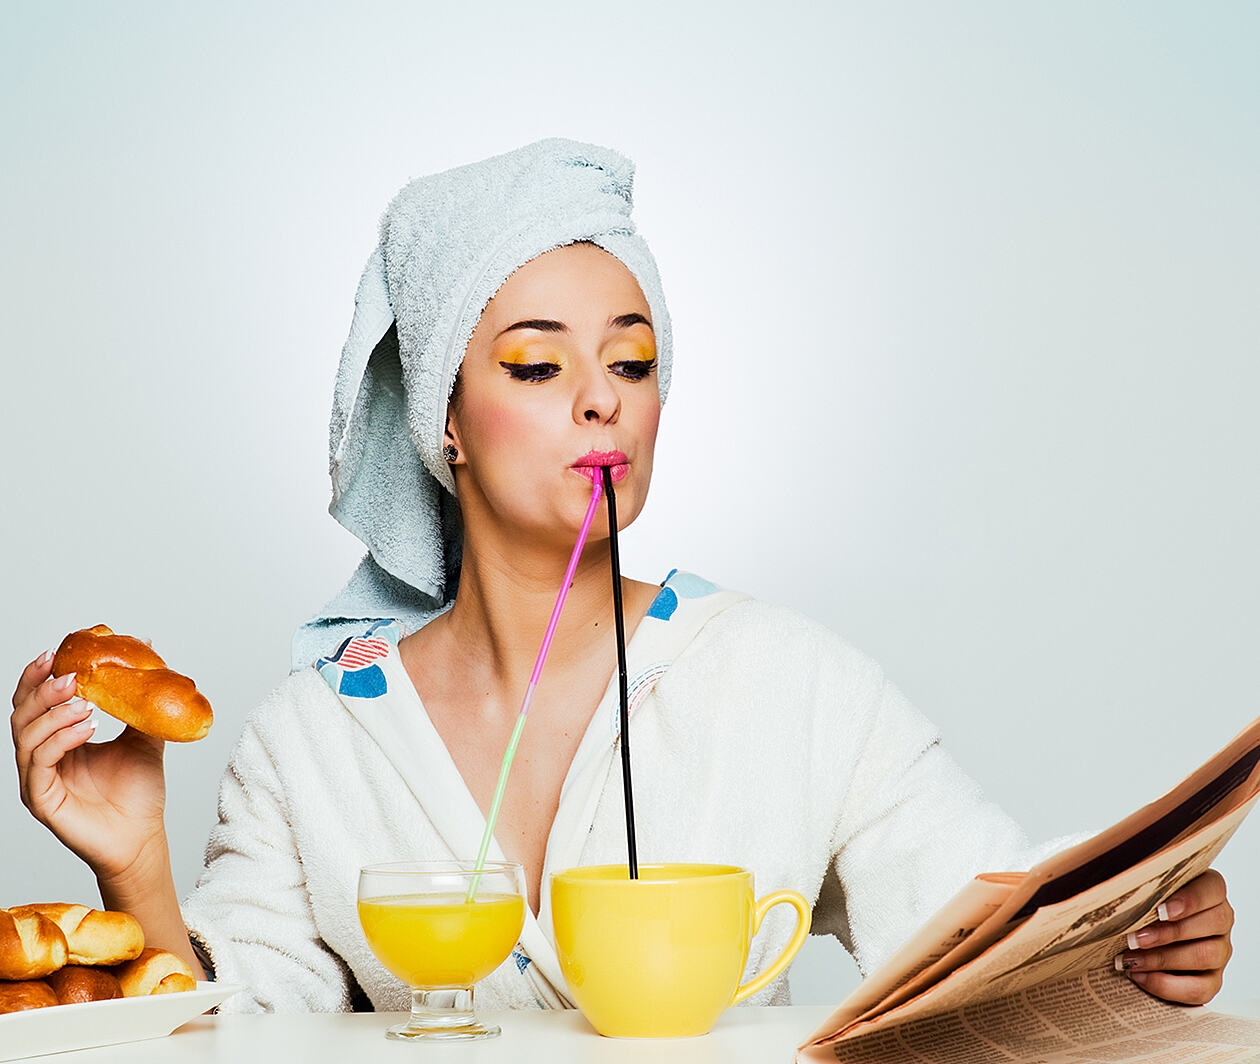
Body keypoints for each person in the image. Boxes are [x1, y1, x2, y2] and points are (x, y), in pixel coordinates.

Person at [10, 138, 1235, 1014]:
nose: (602, 397)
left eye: (633, 360)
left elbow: (980, 912)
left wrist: (1137, 939)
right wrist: (134, 866)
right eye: (538, 367)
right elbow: (227, 1026)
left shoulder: (789, 679)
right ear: (446, 419)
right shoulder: (313, 737)